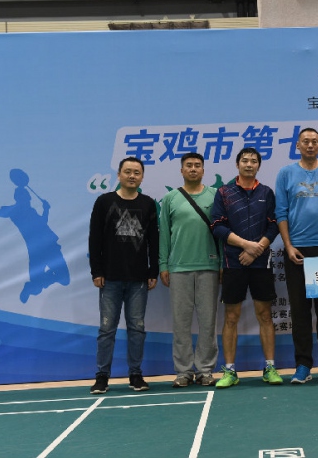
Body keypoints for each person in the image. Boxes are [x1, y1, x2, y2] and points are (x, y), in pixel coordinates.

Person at [275, 127, 318, 384]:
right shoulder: (286, 173)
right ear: (298, 145)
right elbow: (281, 212)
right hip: (297, 250)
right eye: (306, 141)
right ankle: (303, 365)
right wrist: (288, 246)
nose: (310, 145)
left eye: (315, 141)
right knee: (300, 311)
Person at [210, 147, 281, 388]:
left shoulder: (266, 192)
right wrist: (246, 245)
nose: (249, 164)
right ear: (237, 164)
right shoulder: (224, 192)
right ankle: (230, 371)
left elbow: (274, 225)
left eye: (253, 161)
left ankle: (270, 368)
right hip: (234, 262)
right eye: (245, 160)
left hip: (261, 263)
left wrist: (257, 249)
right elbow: (217, 226)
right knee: (231, 317)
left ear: (258, 165)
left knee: (265, 315)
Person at [88, 157, 159, 394]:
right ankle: (102, 376)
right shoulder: (104, 201)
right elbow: (94, 238)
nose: (132, 176)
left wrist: (153, 270)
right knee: (106, 329)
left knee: (137, 328)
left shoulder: (148, 204)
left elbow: (154, 241)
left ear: (142, 177)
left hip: (138, 279)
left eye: (136, 172)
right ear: (119, 175)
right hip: (109, 277)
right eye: (127, 171)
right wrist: (96, 271)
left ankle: (135, 374)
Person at [0, 168, 70, 303]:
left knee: (61, 280)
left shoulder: (31, 211)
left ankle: (33, 285)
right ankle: (32, 286)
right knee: (41, 286)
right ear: (19, 198)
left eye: (28, 198)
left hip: (49, 245)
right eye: (25, 197)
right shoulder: (15, 211)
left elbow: (43, 223)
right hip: (39, 249)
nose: (28, 199)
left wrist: (46, 210)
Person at [158, 152, 220, 388]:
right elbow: (164, 234)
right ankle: (183, 371)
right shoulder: (171, 198)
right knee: (181, 323)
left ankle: (205, 370)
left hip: (209, 266)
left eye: (197, 165)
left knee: (208, 322)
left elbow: (222, 233)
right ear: (181, 170)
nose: (193, 169)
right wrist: (163, 265)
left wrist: (222, 264)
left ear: (203, 170)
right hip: (179, 267)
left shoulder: (215, 195)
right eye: (189, 165)